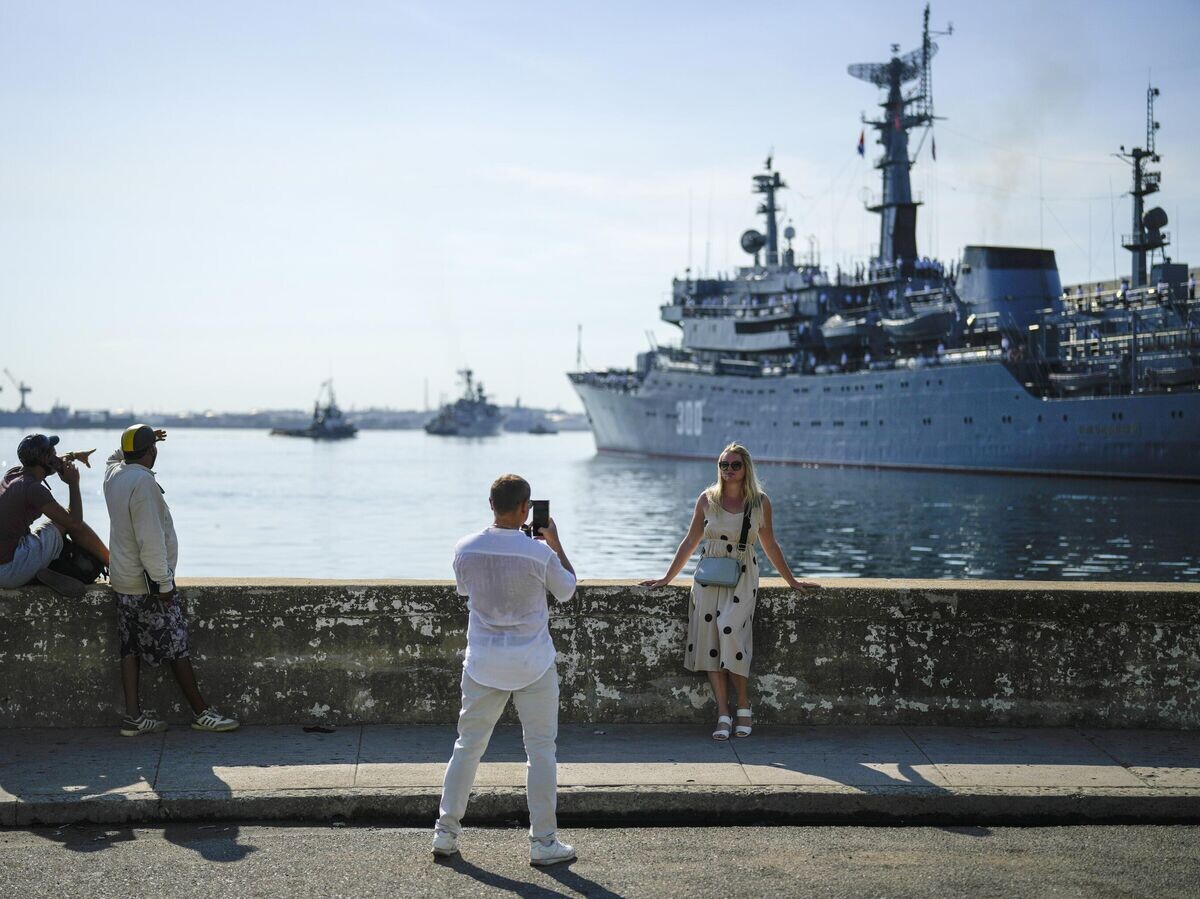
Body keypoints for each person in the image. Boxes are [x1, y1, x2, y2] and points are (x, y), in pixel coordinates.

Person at [432, 474, 577, 866]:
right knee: (541, 751)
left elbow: (466, 590)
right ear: (525, 509)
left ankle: (446, 833)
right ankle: (543, 842)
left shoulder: (465, 548)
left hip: (482, 663)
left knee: (467, 747)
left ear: (491, 505)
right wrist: (554, 543)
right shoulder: (539, 553)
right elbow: (566, 589)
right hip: (533, 664)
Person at [640, 443, 818, 741]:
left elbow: (770, 545)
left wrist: (793, 582)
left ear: (746, 467)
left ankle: (744, 706)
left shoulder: (759, 502)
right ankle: (723, 712)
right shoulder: (707, 499)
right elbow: (689, 541)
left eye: (735, 465)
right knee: (710, 639)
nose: (728, 470)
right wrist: (666, 578)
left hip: (742, 575)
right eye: (723, 464)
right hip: (708, 577)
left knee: (730, 629)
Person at [103, 424, 239, 737]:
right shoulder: (143, 484)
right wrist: (164, 585)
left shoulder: (114, 476)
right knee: (176, 647)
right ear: (151, 451)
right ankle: (202, 713)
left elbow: (114, 456)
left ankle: (134, 718)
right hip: (147, 585)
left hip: (122, 580)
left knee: (129, 648)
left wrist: (141, 439)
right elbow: (150, 540)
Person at [0, 433, 110, 597]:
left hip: (5, 563)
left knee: (57, 521)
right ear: (46, 459)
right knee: (65, 521)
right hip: (10, 570)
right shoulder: (34, 489)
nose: (57, 455)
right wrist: (73, 484)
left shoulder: (14, 474)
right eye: (53, 452)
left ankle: (37, 573)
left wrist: (73, 455)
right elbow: (75, 523)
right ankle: (114, 564)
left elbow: (44, 461)